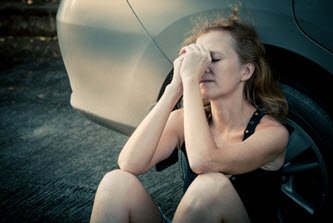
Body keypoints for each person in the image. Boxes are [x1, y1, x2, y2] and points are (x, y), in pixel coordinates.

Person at [90, 6, 289, 223]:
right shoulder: (184, 120)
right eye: (199, 60)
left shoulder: (273, 134)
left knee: (210, 185)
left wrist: (192, 82)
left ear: (246, 71)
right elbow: (130, 163)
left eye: (213, 59)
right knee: (116, 182)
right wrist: (175, 87)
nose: (203, 68)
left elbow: (204, 162)